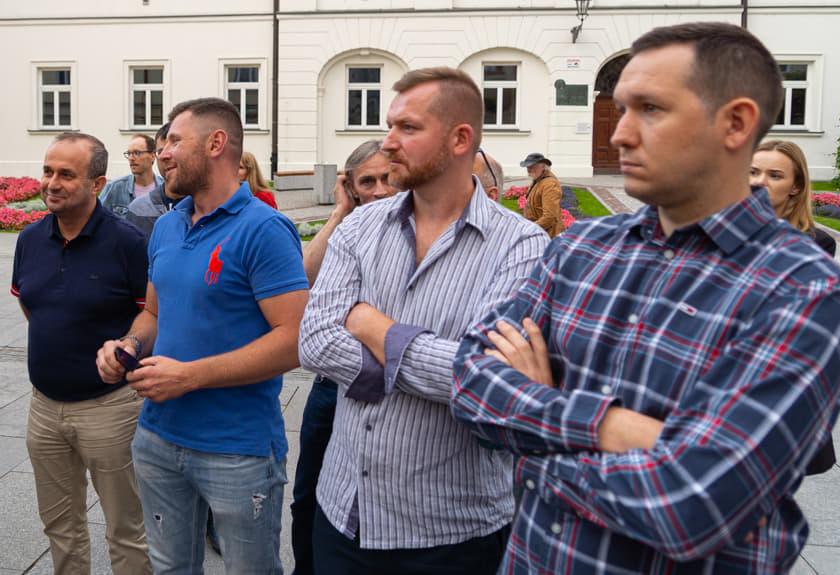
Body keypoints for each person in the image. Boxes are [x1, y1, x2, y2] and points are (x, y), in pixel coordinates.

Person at [451, 22, 840, 574]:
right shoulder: (582, 248)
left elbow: (694, 505)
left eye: (650, 109)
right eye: (621, 109)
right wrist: (617, 429)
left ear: (736, 123)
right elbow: (470, 379)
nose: (620, 134)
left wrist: (533, 439)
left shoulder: (802, 287)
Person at [298, 67, 548, 574]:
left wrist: (374, 328)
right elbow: (315, 341)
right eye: (390, 126)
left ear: (460, 139)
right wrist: (447, 365)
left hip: (450, 531)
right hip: (345, 514)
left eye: (407, 128)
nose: (388, 142)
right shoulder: (361, 226)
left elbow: (491, 383)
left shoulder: (522, 245)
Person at [95, 97, 309, 574]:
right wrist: (129, 345)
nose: (162, 152)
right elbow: (153, 313)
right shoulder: (168, 226)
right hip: (157, 437)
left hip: (237, 448)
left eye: (174, 141)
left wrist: (190, 376)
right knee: (170, 566)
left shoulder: (265, 229)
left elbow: (294, 339)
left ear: (216, 143)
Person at [11, 133, 151, 574]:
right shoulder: (30, 239)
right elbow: (30, 303)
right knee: (60, 526)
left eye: (66, 174)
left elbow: (151, 314)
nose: (52, 183)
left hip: (109, 409)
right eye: (48, 171)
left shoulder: (128, 242)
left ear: (97, 183)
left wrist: (126, 347)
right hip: (43, 408)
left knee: (126, 529)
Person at [290, 139, 398, 575]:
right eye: (366, 182)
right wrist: (339, 212)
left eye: (387, 178)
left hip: (395, 388)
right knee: (307, 493)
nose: (379, 190)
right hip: (331, 385)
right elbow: (304, 277)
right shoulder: (348, 230)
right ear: (351, 188)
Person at [751, 139, 837, 475]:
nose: (760, 182)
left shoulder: (815, 244)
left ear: (795, 186)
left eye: (774, 175)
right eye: (753, 172)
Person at [125, 123, 182, 240]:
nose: (165, 156)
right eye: (160, 151)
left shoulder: (205, 207)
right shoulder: (137, 209)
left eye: (137, 153)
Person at [100, 134, 164, 217]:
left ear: (152, 156)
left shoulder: (164, 189)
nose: (131, 158)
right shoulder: (114, 188)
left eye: (137, 153)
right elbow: (97, 216)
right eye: (129, 153)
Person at [519, 152, 563, 236]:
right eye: (527, 167)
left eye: (532, 166)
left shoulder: (550, 184)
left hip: (547, 235)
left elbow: (549, 217)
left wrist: (529, 230)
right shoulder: (538, 179)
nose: (529, 169)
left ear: (543, 166)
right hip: (539, 231)